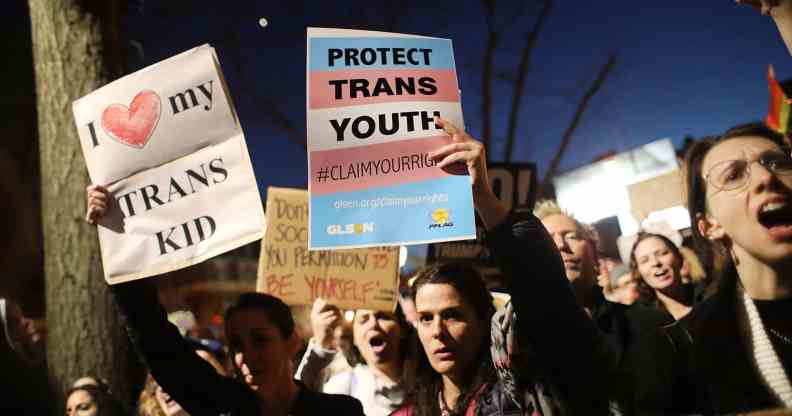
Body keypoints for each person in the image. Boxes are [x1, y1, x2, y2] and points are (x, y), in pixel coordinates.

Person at [85, 184, 365, 416]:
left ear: (291, 342)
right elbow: (155, 339)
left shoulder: (340, 412)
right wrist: (115, 236)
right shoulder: (221, 406)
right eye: (237, 345)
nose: (248, 356)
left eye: (260, 340)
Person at [632, 122, 792, 413]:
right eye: (733, 176)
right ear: (710, 225)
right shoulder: (680, 350)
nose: (766, 176)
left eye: (778, 162)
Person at [295, 297, 412, 416]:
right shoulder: (343, 387)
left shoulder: (421, 381)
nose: (373, 324)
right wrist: (320, 347)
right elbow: (301, 405)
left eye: (383, 317)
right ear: (354, 337)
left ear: (402, 329)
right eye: (363, 320)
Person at [629, 232, 695, 320]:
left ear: (679, 257)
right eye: (644, 260)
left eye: (663, 253)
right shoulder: (639, 319)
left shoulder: (708, 296)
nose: (655, 263)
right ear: (638, 271)